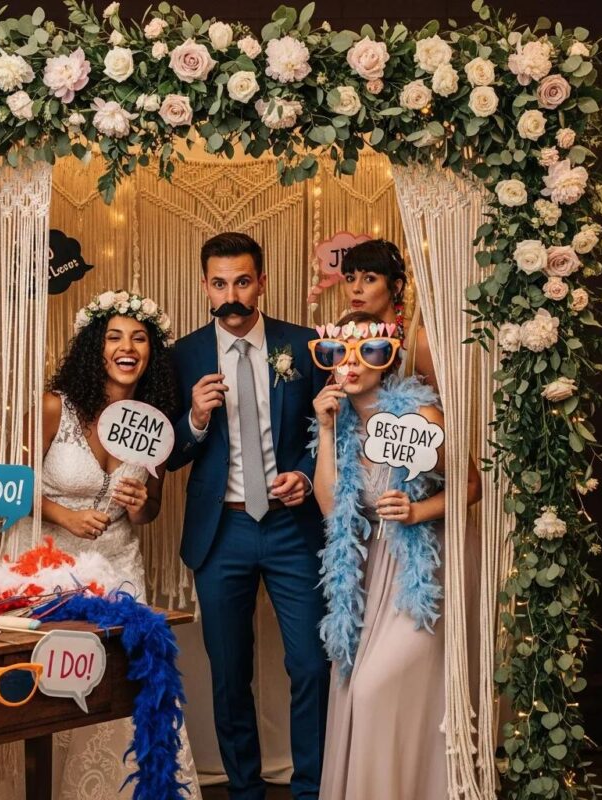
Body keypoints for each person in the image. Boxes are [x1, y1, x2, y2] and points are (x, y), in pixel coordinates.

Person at [0, 289, 200, 800]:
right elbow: (8, 486)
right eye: (114, 337)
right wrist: (64, 513)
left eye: (139, 338)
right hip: (47, 567)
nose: (127, 347)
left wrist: (136, 502)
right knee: (49, 683)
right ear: (94, 348)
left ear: (151, 352)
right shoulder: (51, 408)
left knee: (117, 686)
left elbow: (149, 511)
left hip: (118, 568)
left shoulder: (152, 425)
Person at [168, 232, 330, 800]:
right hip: (222, 532)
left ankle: (311, 788)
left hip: (292, 529)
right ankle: (244, 791)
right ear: (205, 285)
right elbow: (168, 455)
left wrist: (307, 474)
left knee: (311, 663)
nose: (231, 294)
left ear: (261, 281)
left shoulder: (304, 345)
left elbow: (331, 429)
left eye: (242, 281)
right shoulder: (182, 356)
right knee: (229, 673)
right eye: (219, 283)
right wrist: (193, 417)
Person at [310, 310, 481, 799]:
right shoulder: (338, 425)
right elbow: (329, 508)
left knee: (375, 691)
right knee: (358, 693)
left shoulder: (421, 416)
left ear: (388, 357)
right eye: (339, 351)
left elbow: (470, 486)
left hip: (419, 572)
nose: (354, 362)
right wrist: (324, 430)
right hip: (365, 576)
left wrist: (417, 509)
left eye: (371, 349)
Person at [340, 239, 438, 390]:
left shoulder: (418, 341)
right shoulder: (347, 336)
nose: (355, 288)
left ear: (396, 287)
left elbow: (449, 406)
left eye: (369, 278)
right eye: (350, 278)